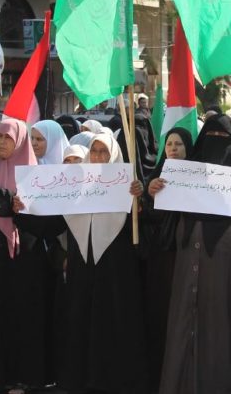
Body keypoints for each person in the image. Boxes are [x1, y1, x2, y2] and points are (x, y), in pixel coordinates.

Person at [159, 115, 231, 394]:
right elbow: (164, 209)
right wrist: (157, 190)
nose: (217, 144)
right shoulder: (187, 171)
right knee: (187, 317)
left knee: (228, 319)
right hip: (191, 253)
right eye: (211, 138)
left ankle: (227, 384)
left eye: (224, 139)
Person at [41, 132, 148, 393]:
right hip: (82, 265)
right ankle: (81, 377)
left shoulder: (126, 184)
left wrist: (138, 201)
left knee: (112, 320)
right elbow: (54, 221)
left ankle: (112, 378)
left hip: (115, 268)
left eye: (104, 151)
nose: (99, 156)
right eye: (95, 151)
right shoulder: (77, 183)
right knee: (81, 318)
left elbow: (141, 230)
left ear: (113, 155)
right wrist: (21, 208)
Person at [0, 118, 63, 393]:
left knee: (25, 318)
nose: (2, 143)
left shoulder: (37, 176)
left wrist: (13, 204)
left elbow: (49, 225)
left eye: (8, 137)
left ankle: (25, 375)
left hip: (27, 261)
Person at [143, 127, 195, 391]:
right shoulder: (155, 178)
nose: (173, 149)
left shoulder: (202, 176)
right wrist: (148, 194)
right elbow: (145, 218)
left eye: (179, 144)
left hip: (189, 256)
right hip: (163, 259)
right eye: (169, 144)